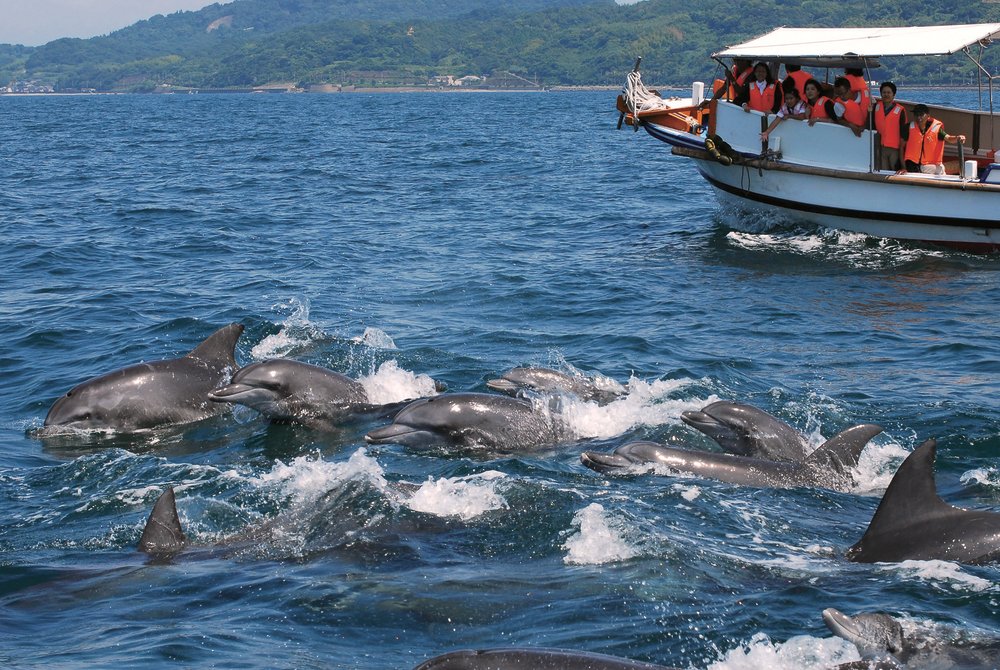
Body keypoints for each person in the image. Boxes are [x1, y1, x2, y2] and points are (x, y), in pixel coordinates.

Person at [902, 104, 966, 175]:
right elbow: (901, 147)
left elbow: (949, 138)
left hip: (929, 166)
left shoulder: (936, 129)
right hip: (912, 166)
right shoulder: (908, 128)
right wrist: (903, 167)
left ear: (928, 116)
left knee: (940, 169)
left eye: (921, 114)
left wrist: (957, 138)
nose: (918, 117)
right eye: (916, 114)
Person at [870, 81, 908, 171]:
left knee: (894, 172)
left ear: (893, 94)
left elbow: (904, 130)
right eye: (884, 92)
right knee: (882, 171)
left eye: (888, 92)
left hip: (895, 148)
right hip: (880, 147)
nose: (886, 95)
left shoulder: (900, 110)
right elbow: (871, 124)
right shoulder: (876, 107)